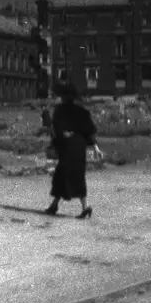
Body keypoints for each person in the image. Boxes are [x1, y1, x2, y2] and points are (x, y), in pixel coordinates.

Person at [45, 82, 96, 219]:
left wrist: (58, 140)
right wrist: (93, 145)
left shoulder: (60, 110)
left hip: (67, 145)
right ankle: (78, 207)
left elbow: (56, 129)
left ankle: (55, 206)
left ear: (63, 97)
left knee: (62, 174)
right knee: (77, 175)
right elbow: (90, 130)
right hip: (79, 146)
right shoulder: (82, 112)